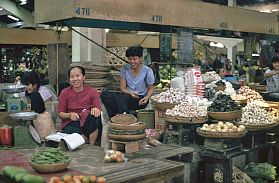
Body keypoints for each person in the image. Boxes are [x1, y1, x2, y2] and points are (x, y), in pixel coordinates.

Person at [101, 45, 155, 118]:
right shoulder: (125, 69)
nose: (132, 61)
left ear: (141, 58)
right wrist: (131, 93)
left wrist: (147, 97)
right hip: (128, 95)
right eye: (130, 59)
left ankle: (126, 118)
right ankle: (115, 116)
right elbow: (123, 88)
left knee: (120, 98)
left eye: (134, 59)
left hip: (140, 99)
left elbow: (151, 88)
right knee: (105, 95)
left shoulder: (147, 71)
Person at [58, 66, 102, 145]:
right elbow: (60, 113)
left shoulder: (92, 91)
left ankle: (91, 146)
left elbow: (97, 107)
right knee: (76, 135)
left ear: (84, 77)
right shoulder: (64, 92)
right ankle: (84, 139)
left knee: (96, 117)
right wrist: (69, 115)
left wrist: (96, 109)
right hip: (71, 122)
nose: (75, 79)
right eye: (72, 77)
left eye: (77, 76)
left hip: (87, 121)